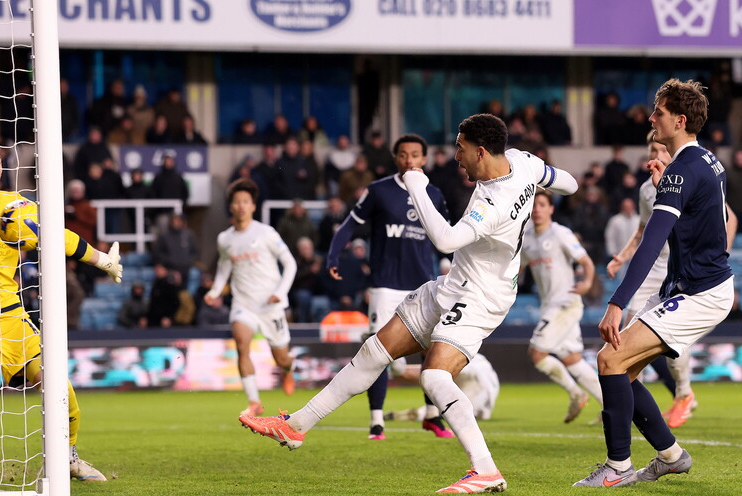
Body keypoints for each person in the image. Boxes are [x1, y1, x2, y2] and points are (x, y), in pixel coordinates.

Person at [240, 114, 578, 494]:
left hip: (481, 296)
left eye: (461, 149)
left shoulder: (492, 202)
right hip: (455, 283)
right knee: (374, 350)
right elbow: (569, 183)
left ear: (481, 152)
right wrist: (536, 184)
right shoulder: (523, 161)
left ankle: (485, 470)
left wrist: (417, 185)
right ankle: (296, 425)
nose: (456, 157)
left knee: (434, 376)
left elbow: (446, 241)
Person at [576, 79, 733, 487]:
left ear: (679, 121)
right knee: (623, 372)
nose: (650, 118)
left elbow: (651, 242)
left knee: (609, 360)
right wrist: (669, 188)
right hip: (693, 287)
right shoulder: (707, 161)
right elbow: (703, 219)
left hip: (700, 292)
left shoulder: (681, 171)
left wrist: (616, 302)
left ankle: (618, 467)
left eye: (658, 112)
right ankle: (671, 456)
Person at [0, 134, 123, 484]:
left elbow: (57, 235)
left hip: (11, 315)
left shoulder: (15, 205)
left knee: (59, 385)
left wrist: (103, 260)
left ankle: (69, 456)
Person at [324, 133, 453, 441]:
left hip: (423, 284)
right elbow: (350, 223)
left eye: (415, 154)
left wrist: (450, 264)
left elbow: (448, 236)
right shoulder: (379, 191)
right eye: (403, 154)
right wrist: (333, 254)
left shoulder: (434, 194)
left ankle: (432, 416)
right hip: (385, 285)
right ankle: (377, 422)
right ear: (395, 158)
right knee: (378, 352)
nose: (409, 159)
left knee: (431, 350)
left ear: (424, 159)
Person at [606, 133, 737, 430]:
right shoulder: (646, 189)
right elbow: (643, 231)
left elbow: (726, 217)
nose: (657, 153)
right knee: (625, 344)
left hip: (680, 271)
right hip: (654, 272)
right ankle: (634, 409)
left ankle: (683, 393)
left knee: (661, 339)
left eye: (661, 148)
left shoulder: (687, 175)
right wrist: (621, 257)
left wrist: (720, 251)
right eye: (652, 148)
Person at [204, 179, 297, 417]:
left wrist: (280, 293)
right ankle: (254, 401)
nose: (241, 206)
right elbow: (224, 267)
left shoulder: (266, 233)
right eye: (237, 202)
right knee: (241, 345)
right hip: (243, 304)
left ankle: (288, 370)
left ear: (253, 206)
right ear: (231, 207)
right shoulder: (225, 239)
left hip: (270, 305)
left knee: (282, 358)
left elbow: (290, 263)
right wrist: (215, 292)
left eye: (246, 201)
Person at [521, 191, 603, 422]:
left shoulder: (560, 233)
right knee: (572, 359)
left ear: (551, 209)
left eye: (542, 205)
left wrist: (587, 282)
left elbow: (585, 261)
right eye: (534, 205)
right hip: (549, 306)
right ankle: (612, 408)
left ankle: (576, 393)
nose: (537, 209)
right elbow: (519, 267)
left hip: (565, 304)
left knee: (537, 353)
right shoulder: (527, 239)